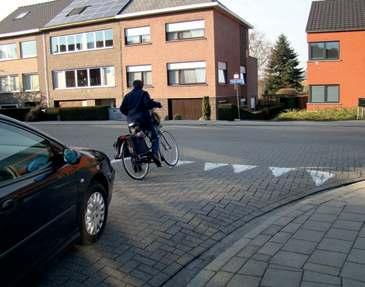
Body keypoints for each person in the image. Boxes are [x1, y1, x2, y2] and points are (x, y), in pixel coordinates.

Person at [120, 80, 162, 167]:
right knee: (154, 138)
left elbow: (122, 109)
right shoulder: (143, 93)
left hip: (131, 121)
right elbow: (148, 104)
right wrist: (157, 104)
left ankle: (136, 164)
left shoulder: (127, 96)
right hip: (143, 120)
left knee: (136, 139)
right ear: (142, 85)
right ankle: (154, 155)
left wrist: (129, 115)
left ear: (133, 86)